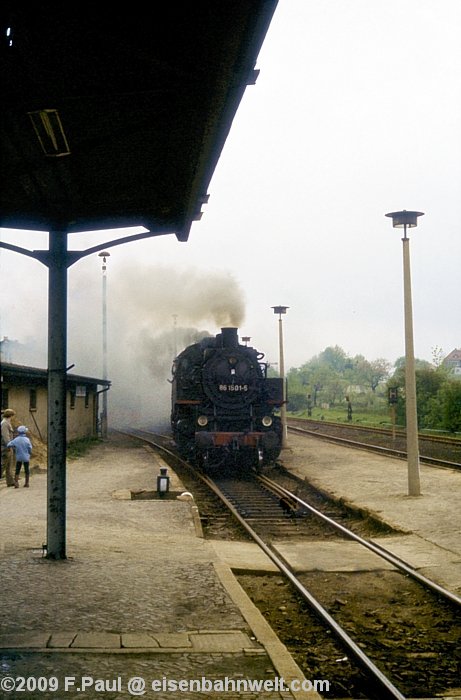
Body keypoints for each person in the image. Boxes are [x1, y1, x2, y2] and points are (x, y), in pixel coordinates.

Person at [1, 408, 16, 486]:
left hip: (9, 446)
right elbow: (5, 436)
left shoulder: (7, 422)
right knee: (3, 464)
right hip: (6, 447)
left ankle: (10, 481)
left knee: (9, 465)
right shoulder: (4, 423)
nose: (13, 417)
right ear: (10, 415)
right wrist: (9, 445)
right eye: (13, 415)